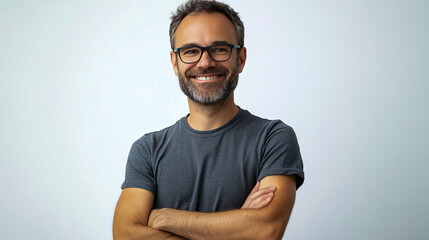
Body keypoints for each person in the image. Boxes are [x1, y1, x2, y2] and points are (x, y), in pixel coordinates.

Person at [113, 0, 304, 239]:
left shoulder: (273, 138)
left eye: (220, 49)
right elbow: (125, 234)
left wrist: (163, 218)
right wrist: (236, 226)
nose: (205, 62)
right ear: (175, 63)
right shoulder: (147, 150)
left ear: (241, 59)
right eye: (191, 51)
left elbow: (265, 230)